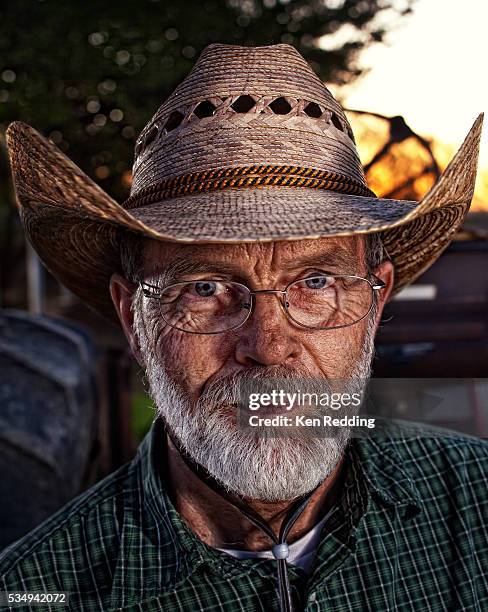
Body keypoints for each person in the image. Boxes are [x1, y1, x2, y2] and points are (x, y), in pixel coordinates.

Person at [1, 43, 486, 612]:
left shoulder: (476, 502)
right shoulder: (38, 589)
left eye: (316, 283)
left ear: (374, 305)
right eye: (204, 289)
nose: (269, 347)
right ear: (134, 316)